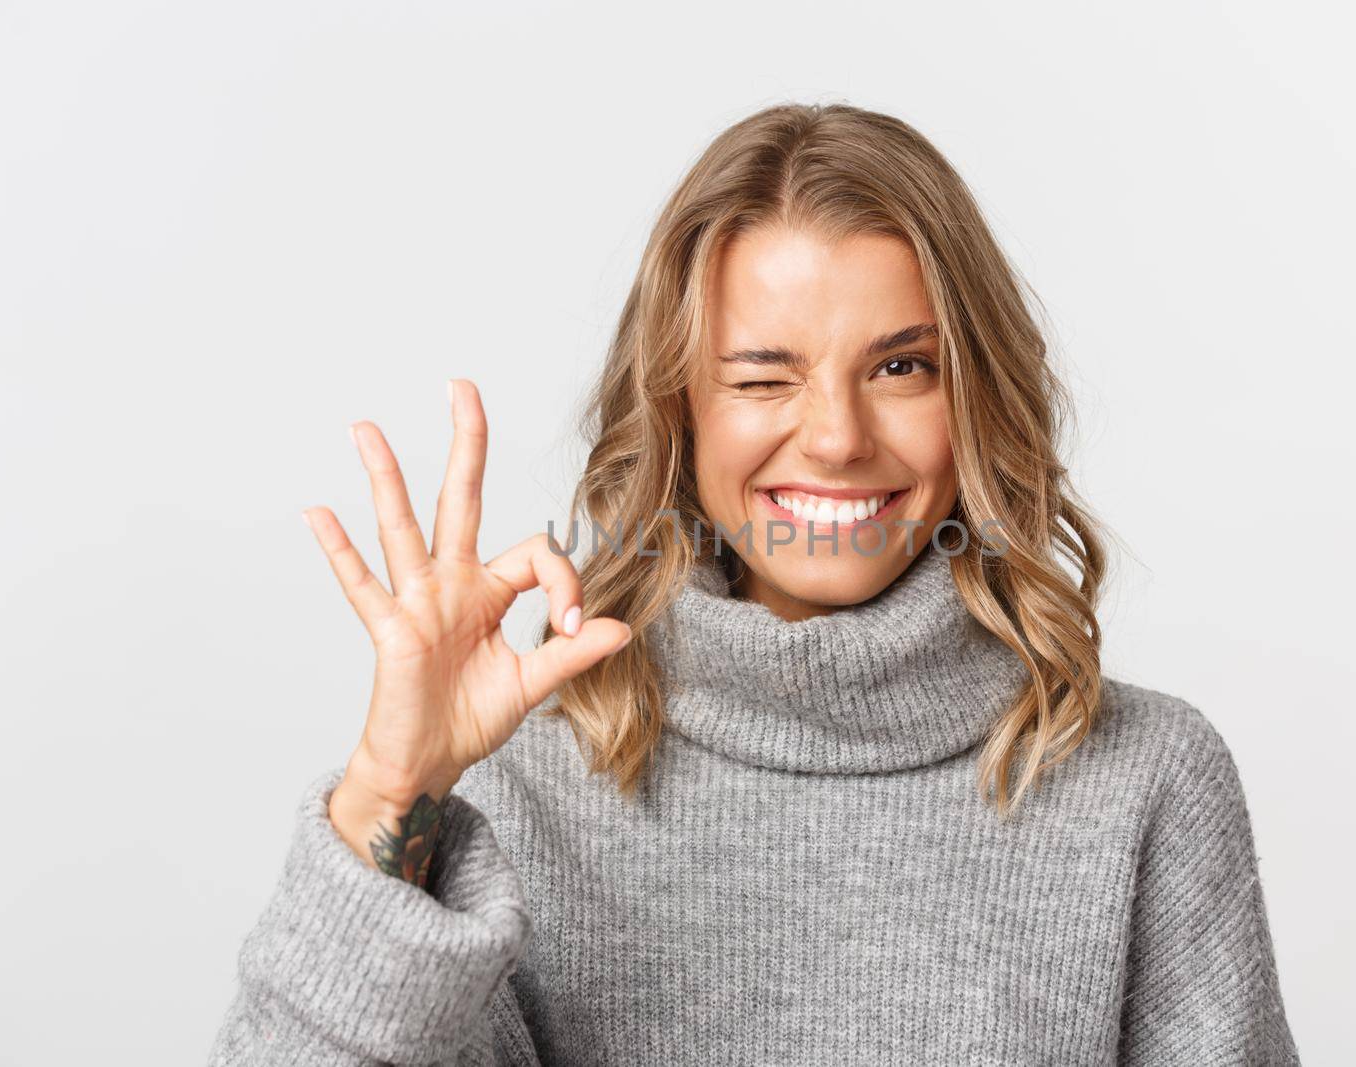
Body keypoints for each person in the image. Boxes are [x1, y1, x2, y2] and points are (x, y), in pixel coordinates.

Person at [208, 102, 1300, 1065]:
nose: (834, 436)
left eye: (900, 366)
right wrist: (391, 792)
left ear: (976, 400)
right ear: (678, 412)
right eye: (763, 375)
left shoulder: (1144, 784)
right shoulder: (519, 785)